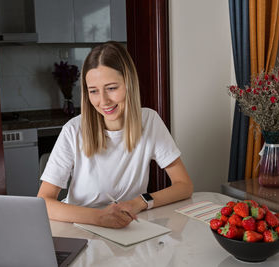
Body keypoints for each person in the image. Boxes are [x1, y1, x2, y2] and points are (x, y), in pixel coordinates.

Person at [37, 41, 193, 229]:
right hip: (81, 228)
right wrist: (99, 217)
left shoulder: (150, 120)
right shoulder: (72, 130)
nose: (103, 101)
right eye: (93, 91)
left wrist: (139, 202)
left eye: (111, 88)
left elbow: (184, 185)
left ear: (129, 84)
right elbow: (44, 202)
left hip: (130, 225)